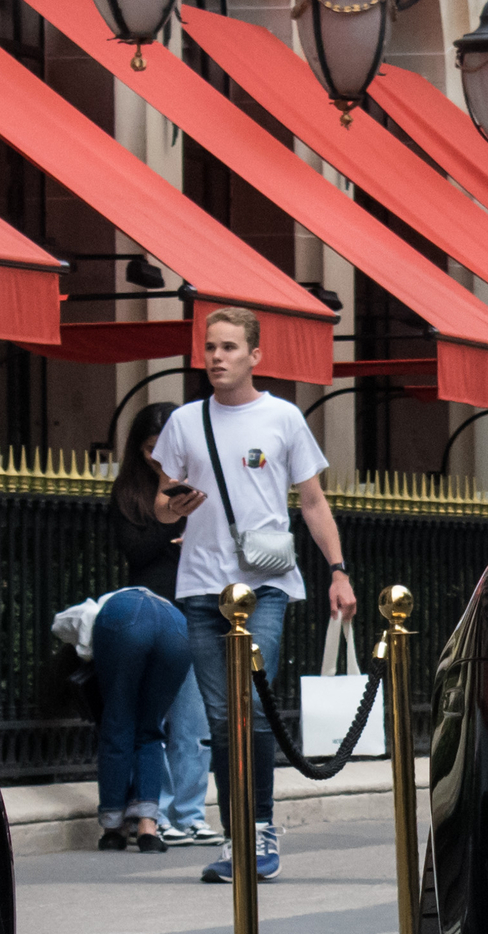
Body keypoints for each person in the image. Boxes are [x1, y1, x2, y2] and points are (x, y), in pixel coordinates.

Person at [152, 307, 359, 883]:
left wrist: (338, 571)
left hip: (265, 584)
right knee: (222, 720)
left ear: (254, 356)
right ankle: (237, 837)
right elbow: (160, 503)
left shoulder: (283, 418)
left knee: (250, 701)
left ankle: (262, 826)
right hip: (200, 586)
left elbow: (313, 502)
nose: (216, 357)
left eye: (228, 348)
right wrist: (175, 506)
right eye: (210, 347)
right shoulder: (186, 423)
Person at [94, 403, 204, 853]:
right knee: (139, 719)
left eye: (167, 449)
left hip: (191, 609)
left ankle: (180, 817)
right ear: (139, 450)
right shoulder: (129, 493)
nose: (159, 459)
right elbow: (136, 554)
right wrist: (171, 528)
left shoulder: (200, 488)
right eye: (149, 449)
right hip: (149, 609)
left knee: (187, 722)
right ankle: (137, 818)